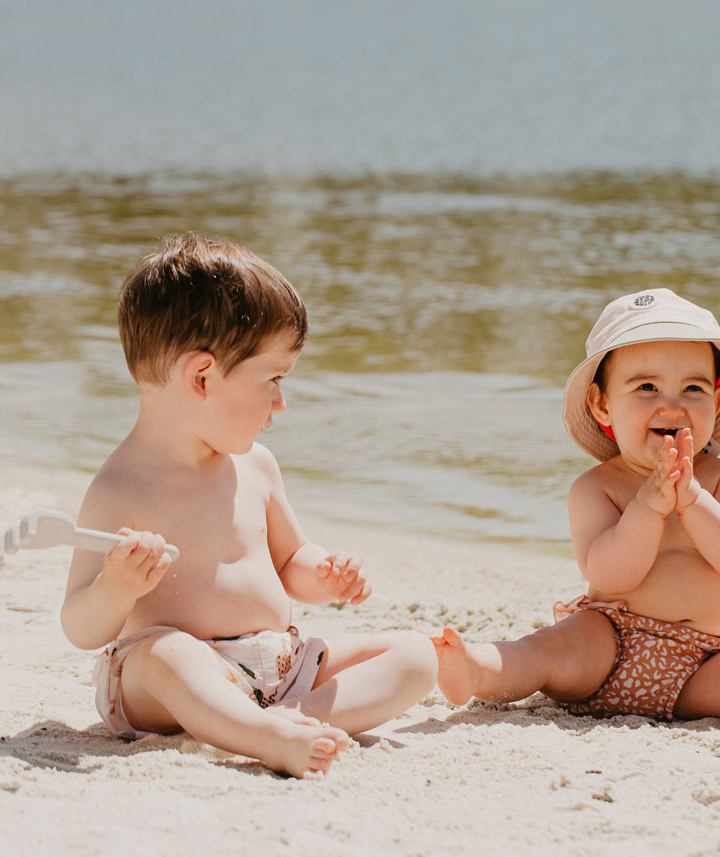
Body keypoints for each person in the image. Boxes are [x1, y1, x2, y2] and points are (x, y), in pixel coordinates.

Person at [61, 233, 438, 778]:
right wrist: (116, 588)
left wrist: (324, 574)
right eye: (274, 380)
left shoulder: (256, 465)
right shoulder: (120, 488)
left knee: (416, 656)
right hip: (177, 682)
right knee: (166, 655)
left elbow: (290, 561)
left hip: (281, 669)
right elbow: (79, 626)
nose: (281, 403)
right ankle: (260, 731)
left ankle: (275, 720)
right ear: (202, 377)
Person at [432, 289, 720, 754]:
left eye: (693, 388)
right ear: (602, 406)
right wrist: (648, 506)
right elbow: (609, 574)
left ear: (718, 401)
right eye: (646, 387)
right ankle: (478, 668)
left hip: (704, 664)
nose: (672, 404)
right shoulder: (597, 487)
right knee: (547, 649)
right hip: (608, 646)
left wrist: (693, 499)